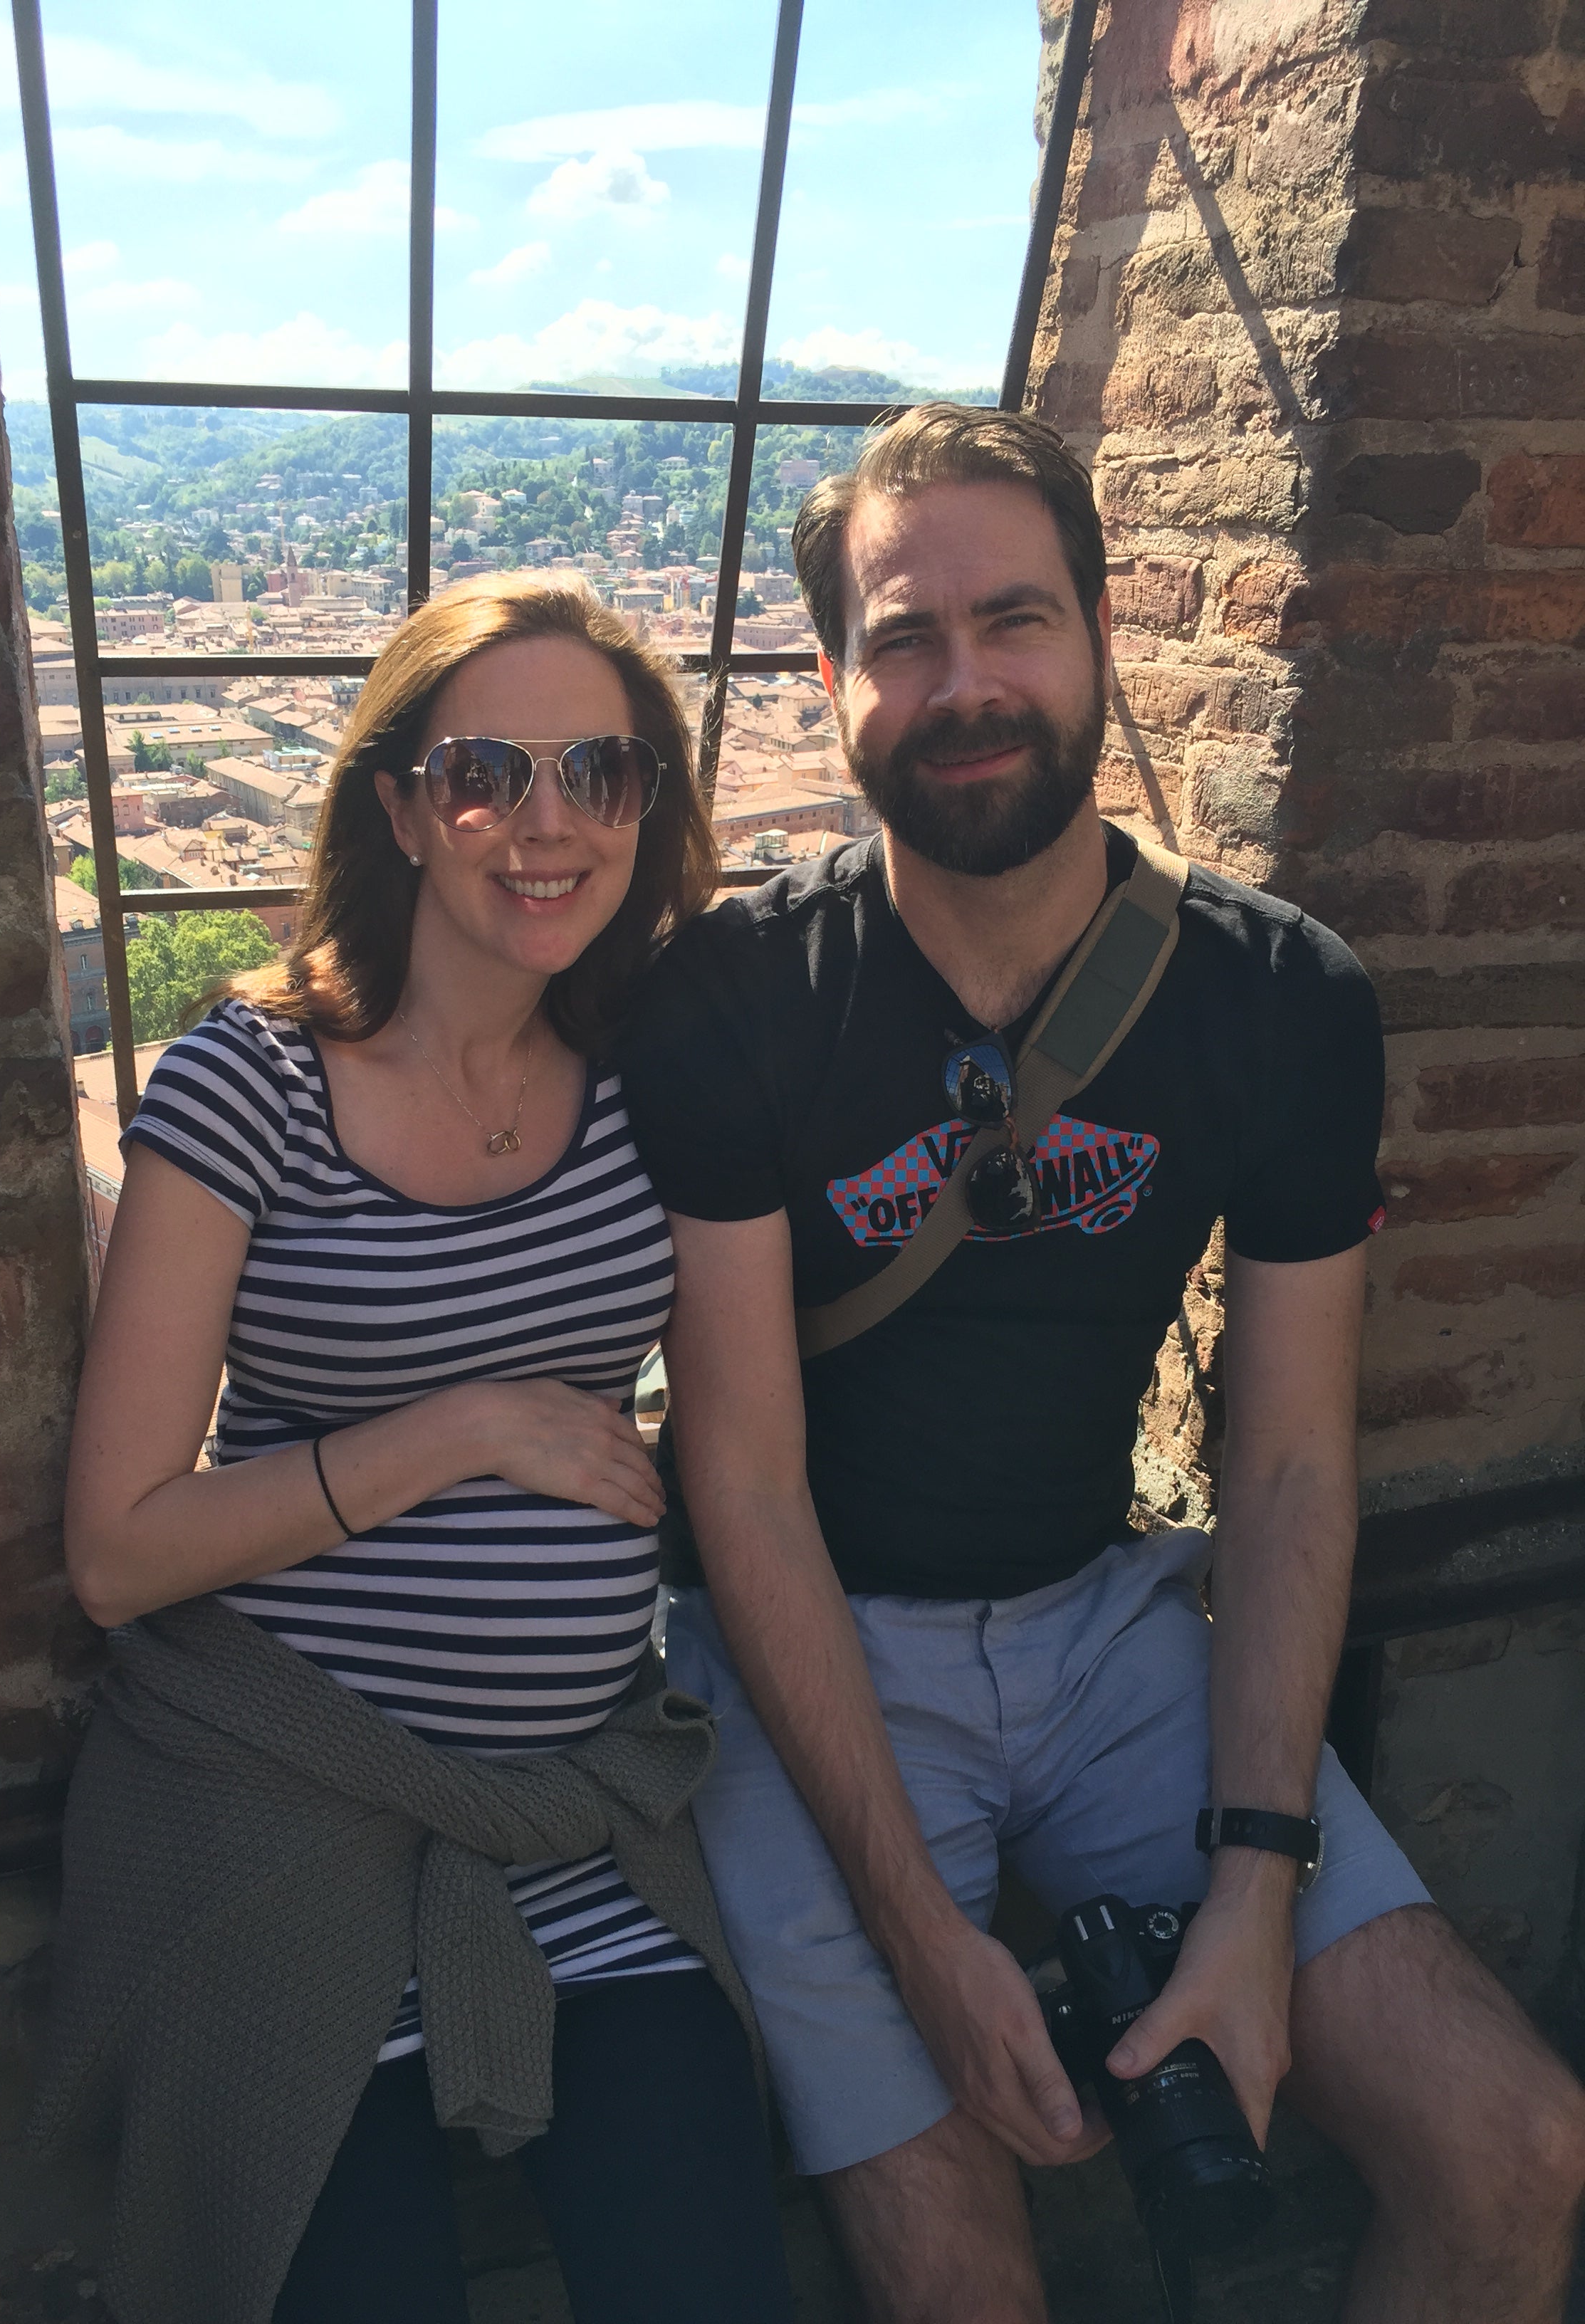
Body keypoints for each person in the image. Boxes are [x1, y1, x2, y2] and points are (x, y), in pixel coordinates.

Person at [616, 405, 1585, 2322]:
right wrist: (919, 1933)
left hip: (1107, 1626)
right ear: (833, 687)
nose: (964, 685)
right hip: (816, 1640)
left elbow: (1293, 1462)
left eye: (1015, 621)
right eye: (904, 642)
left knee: (1518, 2154)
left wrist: (1257, 1879)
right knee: (962, 2283)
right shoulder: (737, 1004)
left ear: (1103, 635)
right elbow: (740, 1482)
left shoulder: (1277, 999)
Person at [53, 577, 793, 2324]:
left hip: (574, 1814)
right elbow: (118, 1550)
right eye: (485, 773)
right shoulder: (248, 1087)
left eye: (599, 777)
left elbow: (755, 1434)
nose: (546, 827)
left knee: (711, 2273)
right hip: (274, 1795)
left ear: (647, 809)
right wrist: (457, 1433)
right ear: (397, 805)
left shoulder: (648, 1077)